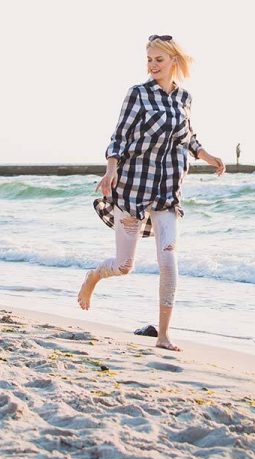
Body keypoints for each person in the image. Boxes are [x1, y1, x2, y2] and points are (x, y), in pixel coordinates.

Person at [77, 34, 224, 351]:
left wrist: (207, 155)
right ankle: (93, 277)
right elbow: (119, 137)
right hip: (133, 186)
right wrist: (111, 169)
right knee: (123, 265)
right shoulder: (138, 94)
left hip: (169, 188)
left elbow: (188, 136)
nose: (153, 65)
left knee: (169, 259)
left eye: (159, 59)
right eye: (149, 60)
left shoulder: (184, 98)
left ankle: (164, 335)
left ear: (173, 61)